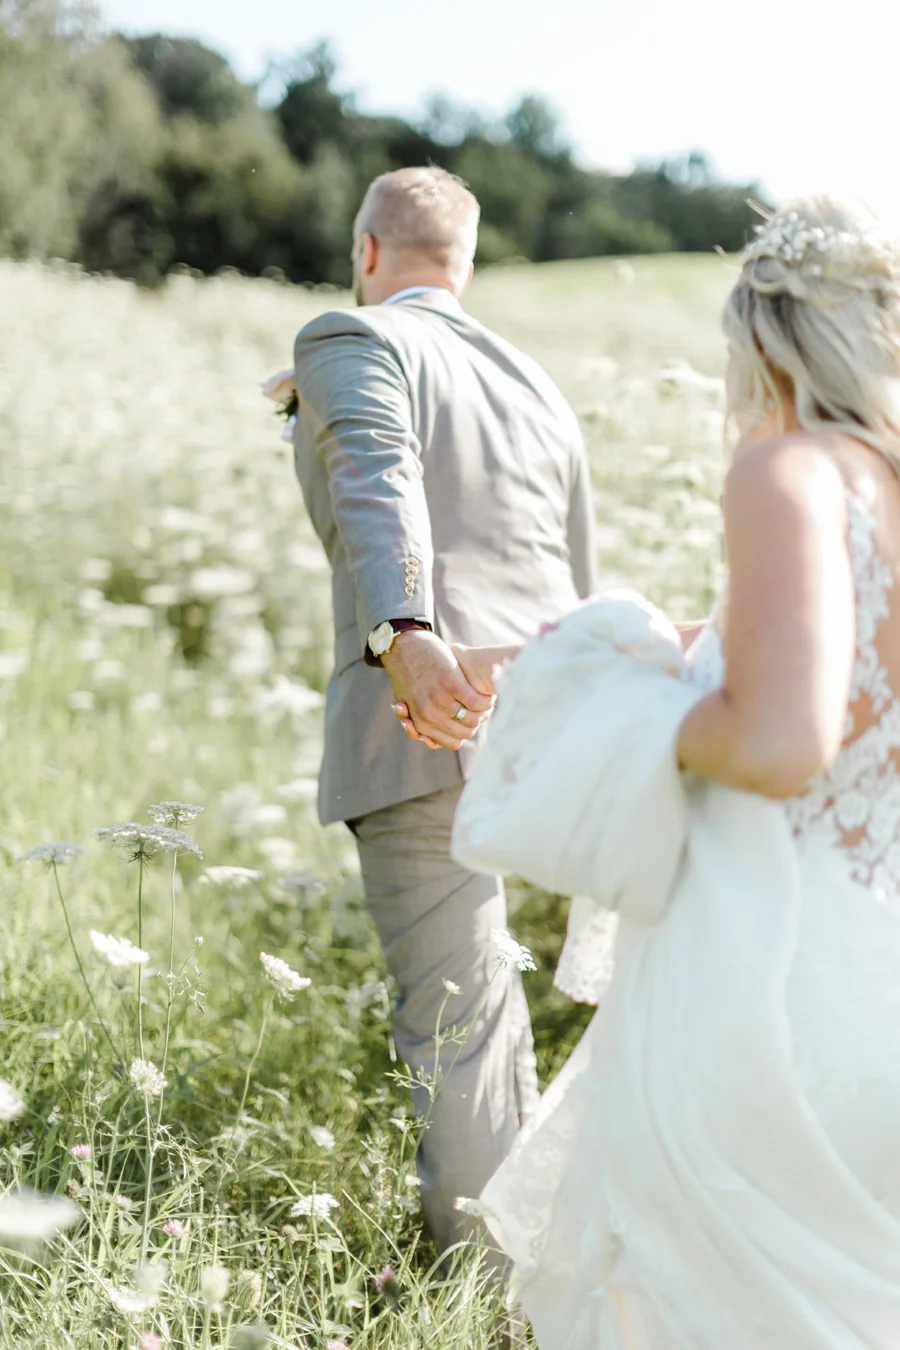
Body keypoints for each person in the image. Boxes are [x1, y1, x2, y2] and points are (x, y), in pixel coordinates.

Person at [400, 195, 900, 1346]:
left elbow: (782, 736)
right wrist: (616, 653)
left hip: (770, 992)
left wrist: (639, 717)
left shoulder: (787, 474)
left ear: (767, 339)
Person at [288, 166, 595, 1265]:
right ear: (459, 263)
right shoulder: (539, 386)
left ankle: (477, 1299)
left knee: (459, 1033)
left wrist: (402, 632)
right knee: (503, 1020)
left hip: (433, 724)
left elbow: (381, 476)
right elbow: (574, 572)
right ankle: (541, 1264)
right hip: (558, 729)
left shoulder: (352, 335)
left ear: (367, 251)